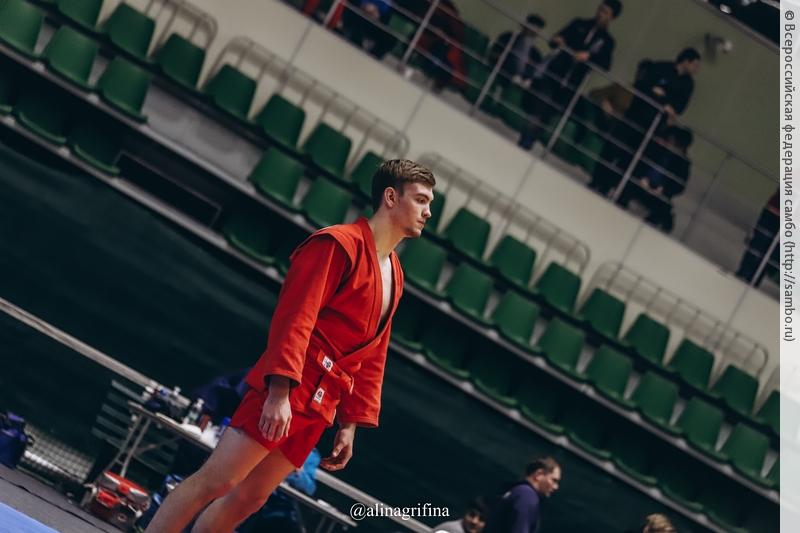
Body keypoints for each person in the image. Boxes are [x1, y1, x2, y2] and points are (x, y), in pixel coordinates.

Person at [143, 159, 436, 533]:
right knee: (218, 480)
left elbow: (373, 354)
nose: (428, 212)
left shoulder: (395, 272)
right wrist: (278, 392)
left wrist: (349, 423)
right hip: (294, 384)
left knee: (251, 498)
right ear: (391, 197)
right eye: (421, 199)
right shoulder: (337, 243)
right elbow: (296, 317)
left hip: (324, 399)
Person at [589, 48, 701, 195]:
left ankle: (608, 186)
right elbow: (643, 86)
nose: (696, 70)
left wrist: (662, 97)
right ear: (686, 61)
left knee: (630, 158)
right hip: (635, 115)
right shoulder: (661, 67)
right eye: (695, 65)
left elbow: (678, 107)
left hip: (652, 125)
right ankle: (596, 180)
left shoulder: (688, 84)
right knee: (613, 148)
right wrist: (662, 100)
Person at [518, 0, 622, 149]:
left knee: (551, 111)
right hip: (555, 73)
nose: (600, 14)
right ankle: (526, 138)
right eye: (600, 9)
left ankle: (532, 137)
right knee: (541, 103)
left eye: (605, 12)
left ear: (613, 18)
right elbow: (556, 40)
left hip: (573, 83)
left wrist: (589, 57)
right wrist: (558, 39)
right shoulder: (579, 23)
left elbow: (605, 65)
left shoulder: (607, 41)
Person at [615, 125, 693, 233]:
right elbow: (637, 164)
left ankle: (648, 229)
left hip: (659, 193)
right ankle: (617, 211)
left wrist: (663, 190)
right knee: (627, 186)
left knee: (664, 207)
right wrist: (641, 179)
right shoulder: (655, 149)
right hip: (641, 183)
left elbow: (679, 186)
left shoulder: (682, 164)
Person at [237, 448, 322, 533]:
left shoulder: (311, 455)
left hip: (280, 508)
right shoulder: (276, 441)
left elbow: (309, 488)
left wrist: (297, 473)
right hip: (253, 496)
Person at [481, 457, 561, 533]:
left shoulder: (517, 491)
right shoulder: (527, 496)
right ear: (539, 474)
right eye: (554, 480)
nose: (556, 487)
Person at [487, 14, 546, 88]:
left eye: (536, 29)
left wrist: (527, 63)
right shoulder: (508, 37)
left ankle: (522, 78)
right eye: (532, 26)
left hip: (523, 79)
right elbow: (492, 54)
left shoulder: (536, 53)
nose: (532, 31)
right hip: (504, 70)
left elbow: (533, 69)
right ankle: (517, 75)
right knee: (525, 41)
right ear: (524, 25)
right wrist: (512, 56)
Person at [736, 189, 780, 286]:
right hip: (773, 211)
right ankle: (745, 273)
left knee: (768, 250)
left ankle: (752, 277)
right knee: (759, 244)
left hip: (777, 213)